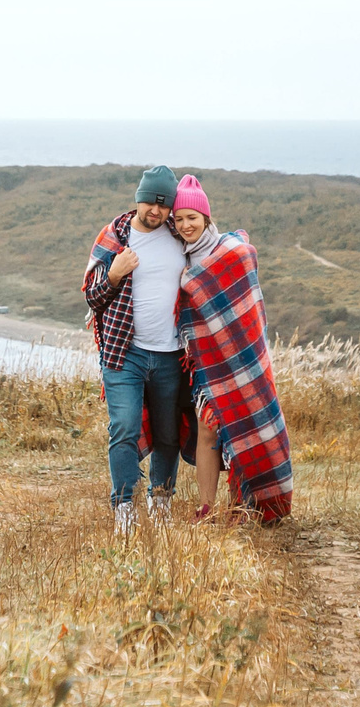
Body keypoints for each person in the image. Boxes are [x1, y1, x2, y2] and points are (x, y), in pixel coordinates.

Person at [170, 175, 293, 524]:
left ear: (206, 218)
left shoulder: (232, 252)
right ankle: (207, 508)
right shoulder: (180, 258)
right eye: (178, 219)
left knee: (245, 428)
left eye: (191, 217)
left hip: (241, 360)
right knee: (207, 427)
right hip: (206, 363)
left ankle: (249, 505)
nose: (185, 225)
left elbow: (248, 310)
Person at [83, 164, 196, 532]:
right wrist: (115, 274)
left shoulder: (180, 238)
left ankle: (160, 502)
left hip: (170, 354)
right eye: (150, 202)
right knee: (125, 428)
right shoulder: (115, 236)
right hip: (123, 352)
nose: (156, 211)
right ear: (138, 199)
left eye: (164, 205)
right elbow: (92, 296)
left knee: (168, 434)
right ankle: (125, 510)